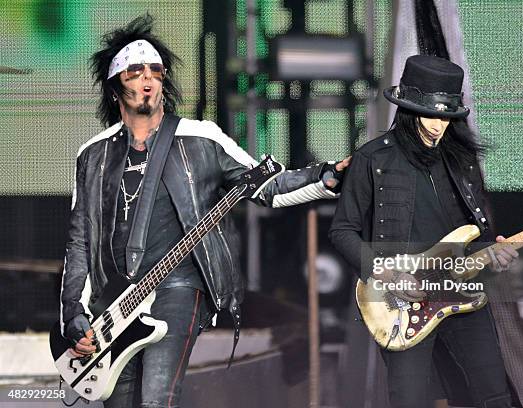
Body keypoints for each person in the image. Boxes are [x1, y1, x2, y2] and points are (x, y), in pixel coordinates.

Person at [59, 15, 349, 408]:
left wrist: (325, 177)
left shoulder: (201, 138)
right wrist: (73, 313)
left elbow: (267, 187)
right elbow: (80, 241)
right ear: (115, 89)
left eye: (156, 71)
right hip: (114, 303)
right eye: (134, 71)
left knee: (157, 397)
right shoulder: (91, 155)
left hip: (181, 284)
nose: (148, 79)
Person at [329, 54, 521, 407]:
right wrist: (385, 273)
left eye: (446, 116)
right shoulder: (374, 160)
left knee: (493, 394)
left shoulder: (461, 162)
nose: (437, 125)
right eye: (430, 114)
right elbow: (342, 230)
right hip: (404, 300)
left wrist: (495, 253)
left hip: (461, 292)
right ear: (407, 108)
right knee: (410, 398)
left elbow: (476, 233)